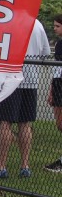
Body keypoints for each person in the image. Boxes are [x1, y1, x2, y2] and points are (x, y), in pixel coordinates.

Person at [0, 18, 51, 179]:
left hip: (9, 78)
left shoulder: (5, 21)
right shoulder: (37, 24)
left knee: (5, 122)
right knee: (25, 123)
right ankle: (25, 166)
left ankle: (1, 166)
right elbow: (45, 52)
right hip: (31, 80)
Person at [47, 14, 62, 173]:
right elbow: (56, 69)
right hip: (58, 84)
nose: (55, 28)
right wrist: (51, 90)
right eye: (54, 25)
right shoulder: (58, 44)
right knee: (59, 124)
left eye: (58, 26)